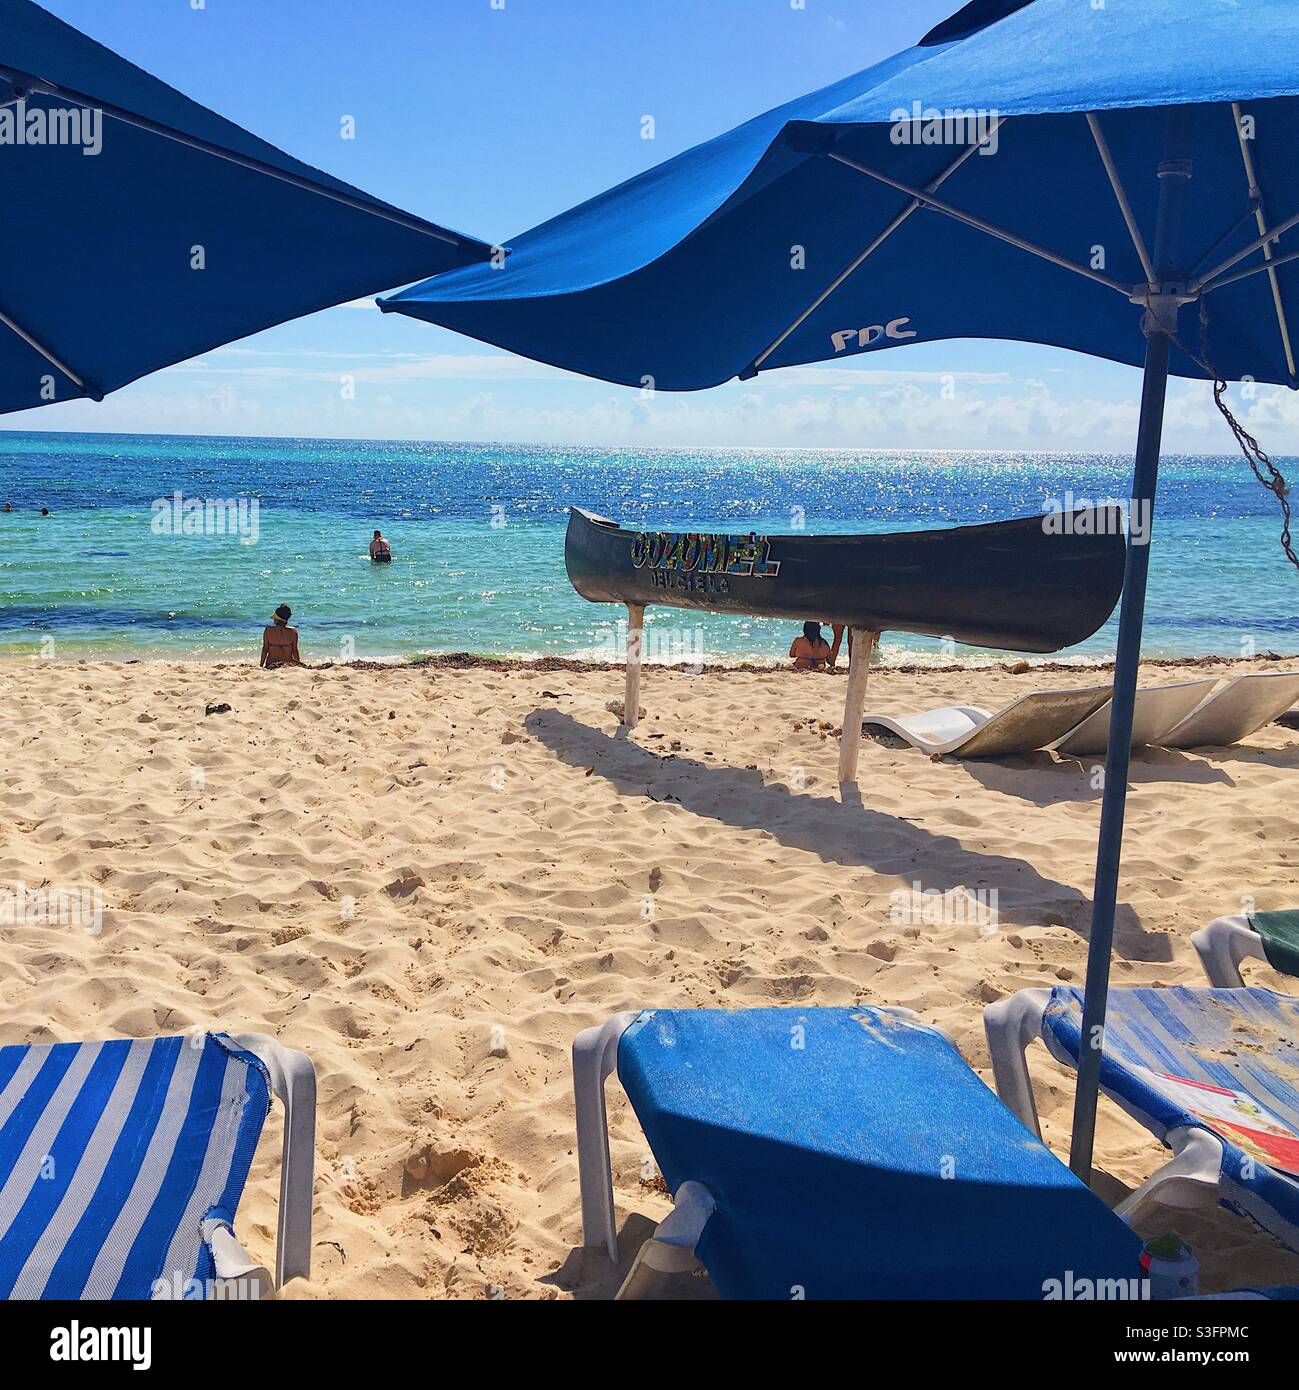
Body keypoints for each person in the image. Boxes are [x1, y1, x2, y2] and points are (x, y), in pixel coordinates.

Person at [260, 604, 301, 669]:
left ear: (276, 619)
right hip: (287, 665)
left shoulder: (268, 630)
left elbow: (265, 649)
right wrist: (298, 665)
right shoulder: (293, 632)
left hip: (271, 664)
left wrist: (261, 665)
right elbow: (294, 651)